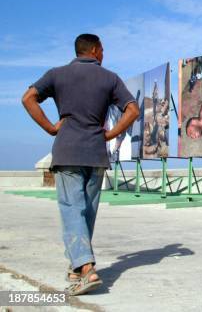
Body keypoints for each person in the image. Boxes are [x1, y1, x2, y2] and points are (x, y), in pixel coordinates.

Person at [21, 34, 139, 296]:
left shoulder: (56, 74)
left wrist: (51, 128)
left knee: (72, 210)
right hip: (96, 154)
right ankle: (77, 268)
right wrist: (110, 134)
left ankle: (86, 268)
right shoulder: (110, 78)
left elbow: (28, 98)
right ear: (95, 50)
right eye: (103, 50)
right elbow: (133, 110)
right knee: (86, 213)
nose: (104, 55)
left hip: (67, 151)